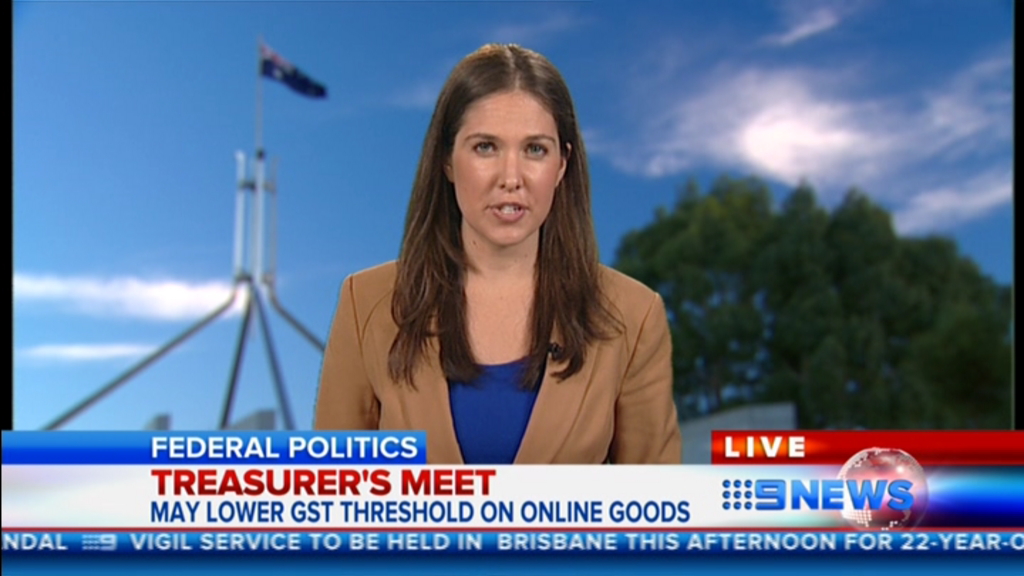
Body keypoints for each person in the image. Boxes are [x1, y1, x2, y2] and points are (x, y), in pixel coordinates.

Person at [314, 44, 681, 464]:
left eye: (535, 149)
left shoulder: (633, 316)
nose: (511, 178)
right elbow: (331, 491)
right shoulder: (366, 304)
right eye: (486, 147)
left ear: (562, 165)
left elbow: (660, 499)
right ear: (447, 160)